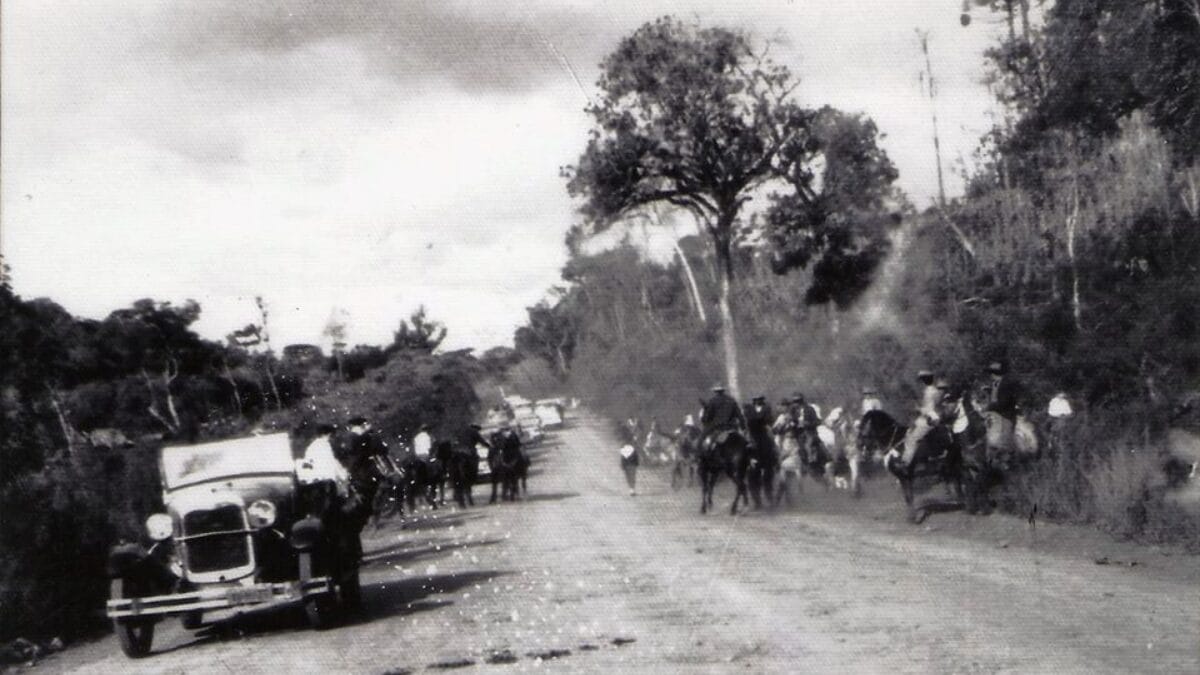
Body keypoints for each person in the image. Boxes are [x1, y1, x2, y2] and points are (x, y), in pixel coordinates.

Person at [900, 370, 942, 466]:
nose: (920, 384)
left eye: (921, 381)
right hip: (927, 418)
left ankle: (905, 463)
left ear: (924, 381)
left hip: (931, 418)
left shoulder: (931, 392)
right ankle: (913, 458)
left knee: (912, 439)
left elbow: (930, 409)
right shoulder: (929, 391)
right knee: (908, 433)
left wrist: (918, 408)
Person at [985, 361, 1021, 452]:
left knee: (1005, 441)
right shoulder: (996, 383)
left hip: (1005, 416)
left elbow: (1003, 402)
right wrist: (989, 391)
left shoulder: (1006, 384)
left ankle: (1008, 459)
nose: (990, 376)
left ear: (995, 374)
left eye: (991, 373)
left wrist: (989, 406)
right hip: (995, 415)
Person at [700, 384, 746, 449]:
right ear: (723, 390)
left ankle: (701, 456)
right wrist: (743, 427)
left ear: (715, 391)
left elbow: (708, 416)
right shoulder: (731, 400)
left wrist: (704, 419)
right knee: (745, 443)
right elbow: (740, 416)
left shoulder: (712, 401)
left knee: (701, 439)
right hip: (732, 427)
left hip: (718, 427)